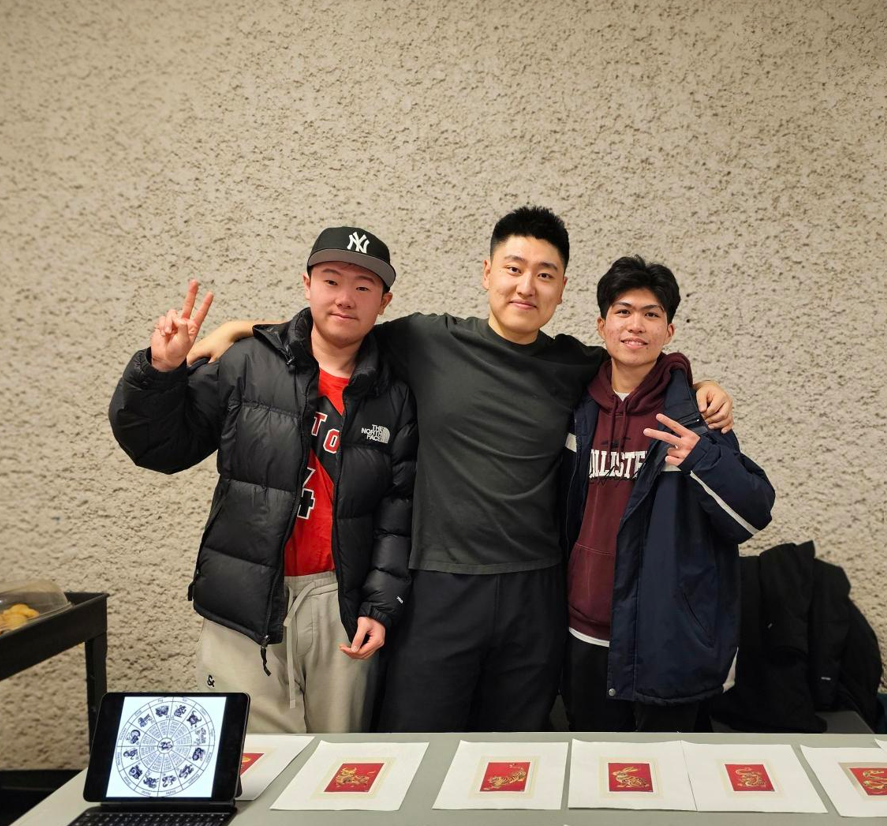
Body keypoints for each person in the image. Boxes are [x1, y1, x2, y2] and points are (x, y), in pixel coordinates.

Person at [187, 207, 733, 732]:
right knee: (414, 742)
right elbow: (338, 326)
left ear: (562, 289)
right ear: (487, 273)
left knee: (515, 748)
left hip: (534, 588)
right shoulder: (428, 340)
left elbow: (640, 360)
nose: (526, 287)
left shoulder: (574, 363)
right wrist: (238, 328)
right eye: (514, 269)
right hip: (438, 586)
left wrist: (699, 384)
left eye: (545, 275)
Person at [109, 226, 417, 733]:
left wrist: (380, 605)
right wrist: (162, 371)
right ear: (306, 284)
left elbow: (396, 513)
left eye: (363, 287)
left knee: (339, 767)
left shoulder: (394, 394)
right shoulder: (248, 363)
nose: (345, 298)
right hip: (244, 598)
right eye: (331, 280)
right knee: (248, 766)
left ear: (384, 302)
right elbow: (158, 447)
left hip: (337, 604)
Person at [561, 256, 774, 732]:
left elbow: (753, 515)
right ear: (601, 324)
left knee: (672, 788)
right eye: (623, 311)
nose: (636, 325)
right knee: (591, 782)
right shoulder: (575, 408)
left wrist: (702, 458)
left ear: (669, 331)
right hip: (583, 633)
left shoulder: (694, 414)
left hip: (666, 640)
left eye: (652, 314)